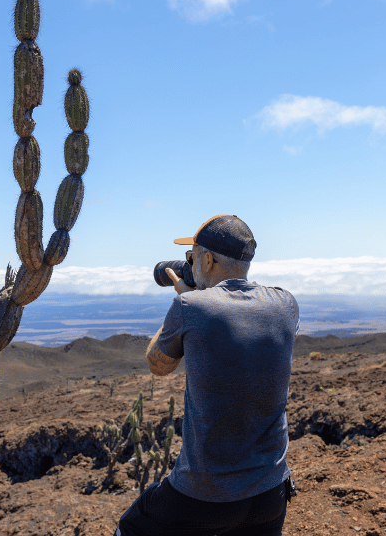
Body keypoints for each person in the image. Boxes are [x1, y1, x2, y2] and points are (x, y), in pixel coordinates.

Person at [114, 214, 299, 536]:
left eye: (192, 256)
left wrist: (183, 297)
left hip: (203, 493)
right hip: (270, 491)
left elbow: (158, 365)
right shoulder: (285, 302)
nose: (190, 263)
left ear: (209, 260)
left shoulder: (191, 306)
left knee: (131, 528)